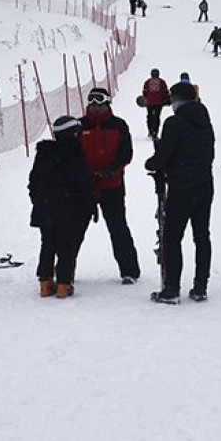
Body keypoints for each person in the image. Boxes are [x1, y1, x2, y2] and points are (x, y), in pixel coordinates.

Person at [144, 81, 216, 304]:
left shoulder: (174, 123)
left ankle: (171, 289)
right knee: (201, 235)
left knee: (172, 237)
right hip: (204, 184)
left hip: (181, 187)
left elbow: (164, 156)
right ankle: (200, 286)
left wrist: (152, 164)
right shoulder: (204, 120)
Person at [28, 115, 97, 298]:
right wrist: (90, 205)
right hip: (69, 209)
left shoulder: (44, 154)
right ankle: (64, 285)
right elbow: (84, 185)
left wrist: (38, 200)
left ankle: (45, 282)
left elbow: (33, 181)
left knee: (47, 244)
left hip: (45, 207)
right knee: (66, 246)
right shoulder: (76, 155)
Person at [79, 87, 141, 284]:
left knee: (118, 227)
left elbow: (126, 153)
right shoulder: (80, 125)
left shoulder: (118, 125)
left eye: (99, 102)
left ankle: (129, 270)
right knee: (74, 229)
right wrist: (85, 173)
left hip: (111, 185)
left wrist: (111, 170)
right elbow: (72, 154)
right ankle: (65, 271)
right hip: (85, 186)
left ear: (107, 103)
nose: (95, 107)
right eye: (92, 102)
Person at [140, 68, 170, 140]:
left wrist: (147, 98)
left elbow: (144, 92)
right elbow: (166, 92)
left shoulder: (147, 82)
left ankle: (150, 130)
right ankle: (155, 132)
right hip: (159, 103)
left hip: (149, 102)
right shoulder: (162, 82)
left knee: (149, 116)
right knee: (157, 117)